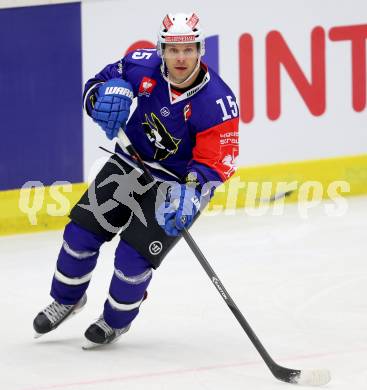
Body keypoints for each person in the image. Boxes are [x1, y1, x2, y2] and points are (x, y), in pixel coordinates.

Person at [33, 12, 239, 348]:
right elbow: (95, 85)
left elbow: (217, 162)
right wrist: (98, 99)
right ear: (162, 50)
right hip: (129, 163)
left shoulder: (217, 101)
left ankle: (115, 322)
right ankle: (67, 300)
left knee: (132, 259)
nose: (181, 58)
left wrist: (191, 193)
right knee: (80, 233)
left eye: (188, 49)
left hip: (176, 185)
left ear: (200, 50)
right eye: (173, 50)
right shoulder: (139, 66)